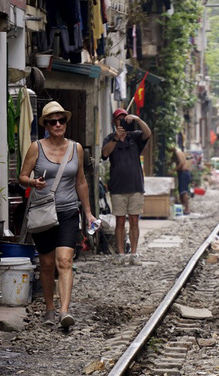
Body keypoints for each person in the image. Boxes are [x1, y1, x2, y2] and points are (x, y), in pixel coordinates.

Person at [19, 101, 96, 328]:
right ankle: (49, 309)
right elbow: (22, 176)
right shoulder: (36, 148)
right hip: (43, 212)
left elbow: (81, 181)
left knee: (65, 260)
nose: (58, 124)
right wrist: (33, 182)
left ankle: (64, 311)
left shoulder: (76, 148)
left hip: (68, 211)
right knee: (46, 263)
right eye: (53, 121)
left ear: (66, 122)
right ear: (46, 125)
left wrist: (89, 212)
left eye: (61, 120)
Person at [101, 108, 152, 266]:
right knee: (120, 221)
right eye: (119, 119)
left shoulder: (135, 136)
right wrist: (116, 138)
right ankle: (121, 253)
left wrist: (136, 119)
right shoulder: (110, 138)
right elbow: (104, 154)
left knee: (135, 220)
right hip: (118, 187)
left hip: (136, 185)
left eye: (124, 119)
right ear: (114, 122)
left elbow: (148, 133)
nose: (122, 122)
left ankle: (134, 253)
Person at [174, 146, 192, 215]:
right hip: (184, 173)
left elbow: (181, 163)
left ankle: (187, 209)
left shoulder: (177, 152)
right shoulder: (179, 151)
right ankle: (183, 209)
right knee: (182, 192)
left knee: (183, 192)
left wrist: (173, 170)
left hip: (184, 173)